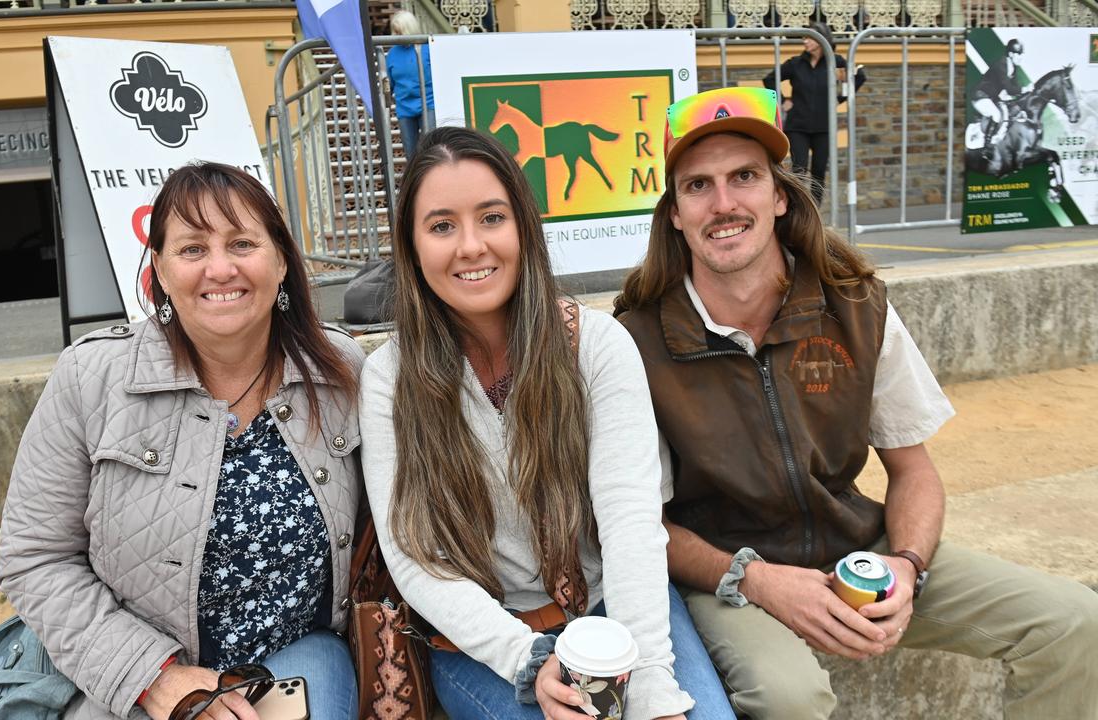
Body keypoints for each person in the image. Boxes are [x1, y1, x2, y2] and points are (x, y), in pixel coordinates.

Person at [613, 85, 1098, 720]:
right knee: (790, 698)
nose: (724, 203)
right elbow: (640, 526)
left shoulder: (856, 306)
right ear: (674, 212)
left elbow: (914, 469)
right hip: (728, 576)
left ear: (780, 195)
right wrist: (756, 580)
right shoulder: (636, 341)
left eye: (745, 177)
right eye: (698, 185)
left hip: (855, 551)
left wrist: (907, 564)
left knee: (1073, 622)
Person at [359, 126, 735, 720]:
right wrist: (528, 660)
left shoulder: (597, 346)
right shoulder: (389, 379)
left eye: (491, 217)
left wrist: (653, 687)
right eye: (441, 226)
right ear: (410, 248)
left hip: (614, 610)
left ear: (523, 228)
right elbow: (416, 557)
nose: (470, 246)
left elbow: (631, 523)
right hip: (482, 640)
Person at [0, 162, 365, 720]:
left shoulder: (341, 372)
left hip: (298, 655)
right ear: (160, 272)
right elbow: (35, 558)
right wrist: (151, 676)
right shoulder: (91, 378)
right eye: (192, 249)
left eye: (242, 242)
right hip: (133, 669)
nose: (220, 268)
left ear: (282, 261)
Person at [763, 22, 865, 205]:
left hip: (824, 127)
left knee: (818, 171)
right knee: (799, 169)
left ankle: (815, 211)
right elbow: (769, 79)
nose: (805, 41)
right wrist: (784, 99)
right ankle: (798, 208)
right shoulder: (795, 64)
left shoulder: (837, 62)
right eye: (804, 37)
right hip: (797, 126)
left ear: (821, 39)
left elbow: (860, 75)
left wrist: (840, 98)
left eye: (809, 37)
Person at [384, 10, 435, 158]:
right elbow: (390, 82)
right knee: (410, 153)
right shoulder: (392, 53)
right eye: (396, 31)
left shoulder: (427, 48)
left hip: (429, 103)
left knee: (430, 149)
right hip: (404, 107)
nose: (398, 35)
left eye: (400, 31)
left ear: (409, 29)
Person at [972, 38, 1027, 146]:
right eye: (1019, 54)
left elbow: (1014, 88)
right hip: (980, 96)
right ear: (1011, 54)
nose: (1021, 58)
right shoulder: (1001, 65)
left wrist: (1023, 93)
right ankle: (986, 146)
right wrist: (1024, 89)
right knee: (996, 115)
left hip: (991, 98)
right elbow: (1009, 89)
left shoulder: (1013, 68)